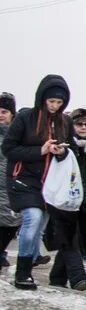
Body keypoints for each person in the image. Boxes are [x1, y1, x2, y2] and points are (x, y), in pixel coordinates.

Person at [3, 75, 72, 290]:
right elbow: (9, 148)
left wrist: (62, 152)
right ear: (42, 98)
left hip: (51, 183)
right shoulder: (25, 117)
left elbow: (70, 151)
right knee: (32, 219)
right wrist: (40, 150)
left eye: (59, 103)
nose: (54, 106)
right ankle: (22, 273)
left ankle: (27, 268)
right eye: (51, 101)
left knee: (40, 225)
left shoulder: (64, 122)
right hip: (24, 179)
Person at [47, 109, 86, 289]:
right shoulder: (63, 144)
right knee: (68, 239)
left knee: (81, 242)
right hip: (64, 200)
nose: (83, 127)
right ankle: (78, 278)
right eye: (79, 123)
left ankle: (57, 277)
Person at [0, 92, 19, 270]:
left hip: (10, 186)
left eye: (4, 111)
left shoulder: (18, 135)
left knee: (11, 223)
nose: (0, 114)